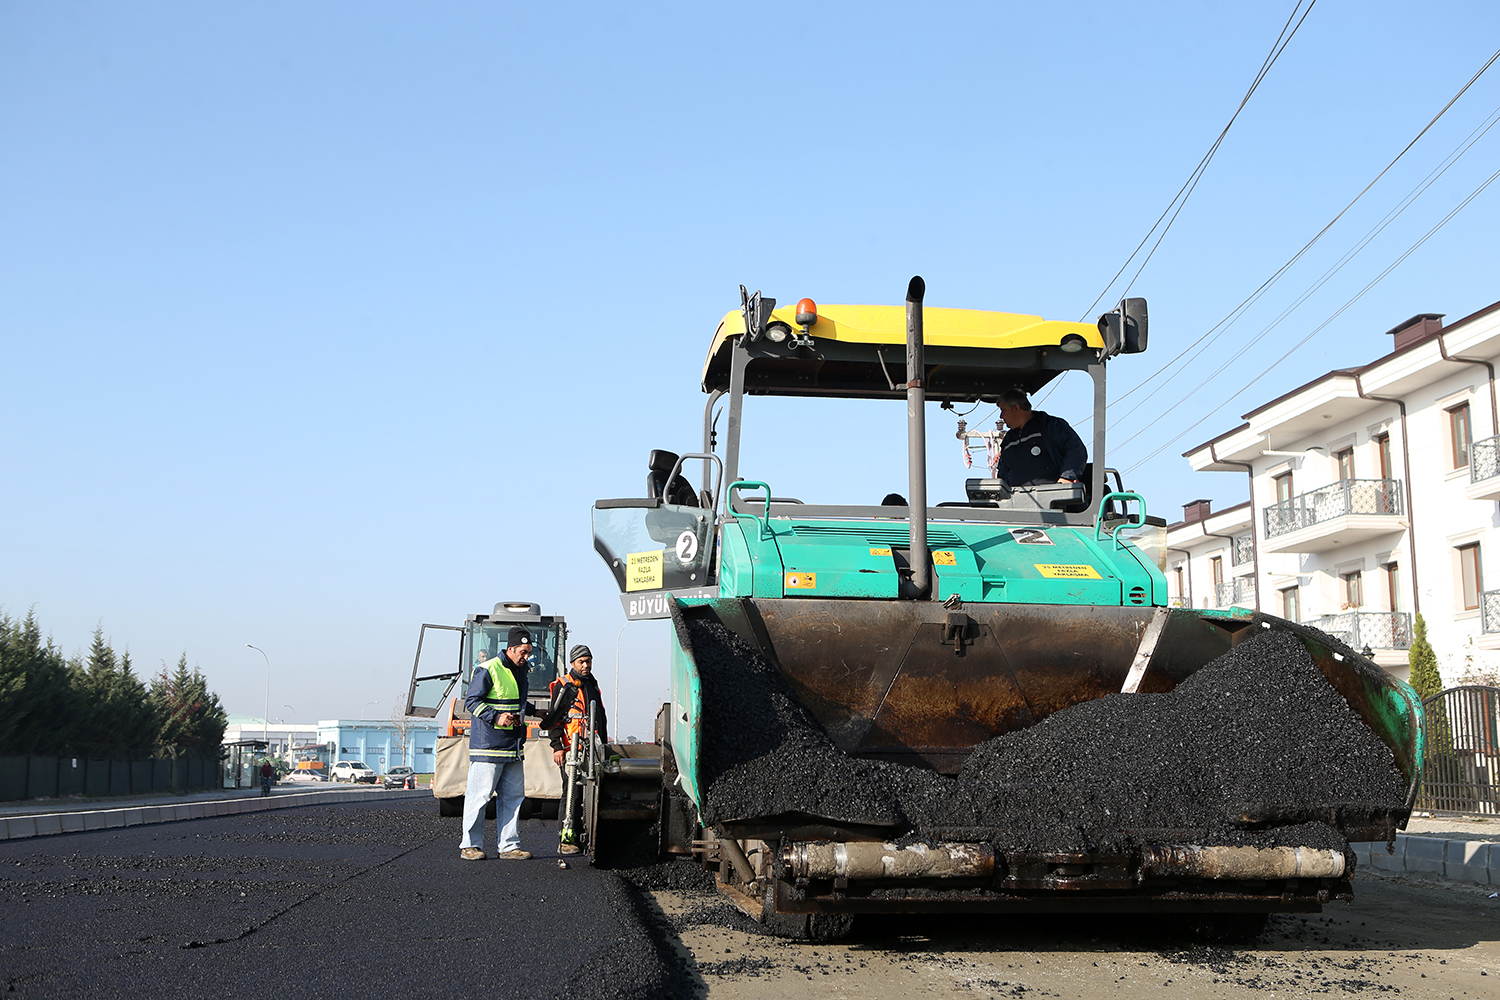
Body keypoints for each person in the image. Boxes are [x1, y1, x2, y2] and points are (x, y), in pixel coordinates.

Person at [459, 626, 536, 861]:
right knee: (479, 796)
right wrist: (496, 717)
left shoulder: (521, 670)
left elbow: (515, 702)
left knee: (513, 798)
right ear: (511, 649)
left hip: (512, 746)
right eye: (523, 652)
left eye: (529, 652)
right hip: (489, 745)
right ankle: (470, 845)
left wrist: (537, 711)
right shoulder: (487, 668)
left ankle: (509, 847)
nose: (526, 657)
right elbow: (471, 701)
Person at [540, 644, 608, 856]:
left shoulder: (592, 685)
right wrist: (557, 747)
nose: (586, 665)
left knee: (592, 792)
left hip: (592, 749)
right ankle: (566, 838)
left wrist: (603, 748)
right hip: (572, 749)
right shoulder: (564, 685)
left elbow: (600, 720)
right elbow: (555, 719)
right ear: (572, 663)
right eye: (582, 662)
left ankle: (585, 836)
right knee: (572, 793)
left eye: (588, 661)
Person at [993, 388, 1087, 487]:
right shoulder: (1009, 439)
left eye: (1003, 410)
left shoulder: (1050, 426)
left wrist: (1067, 478)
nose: (1001, 416)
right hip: (1015, 499)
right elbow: (1003, 472)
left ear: (1016, 408)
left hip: (1051, 498)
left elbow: (1076, 450)